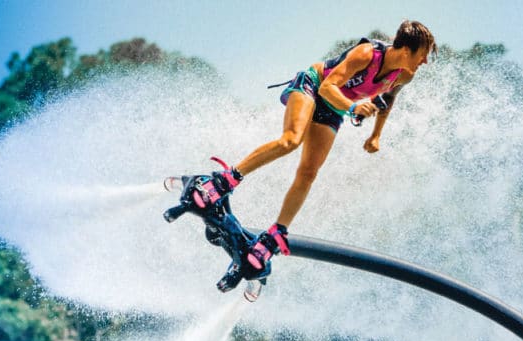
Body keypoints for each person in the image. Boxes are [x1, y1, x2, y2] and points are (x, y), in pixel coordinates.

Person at [186, 20, 436, 281]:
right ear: (407, 49)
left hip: (335, 108)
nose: (425, 62)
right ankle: (223, 180)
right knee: (290, 141)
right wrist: (353, 109)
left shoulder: (405, 74)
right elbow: (328, 87)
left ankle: (274, 235)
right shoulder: (367, 54)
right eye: (423, 54)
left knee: (309, 172)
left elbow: (388, 100)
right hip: (314, 85)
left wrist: (376, 135)